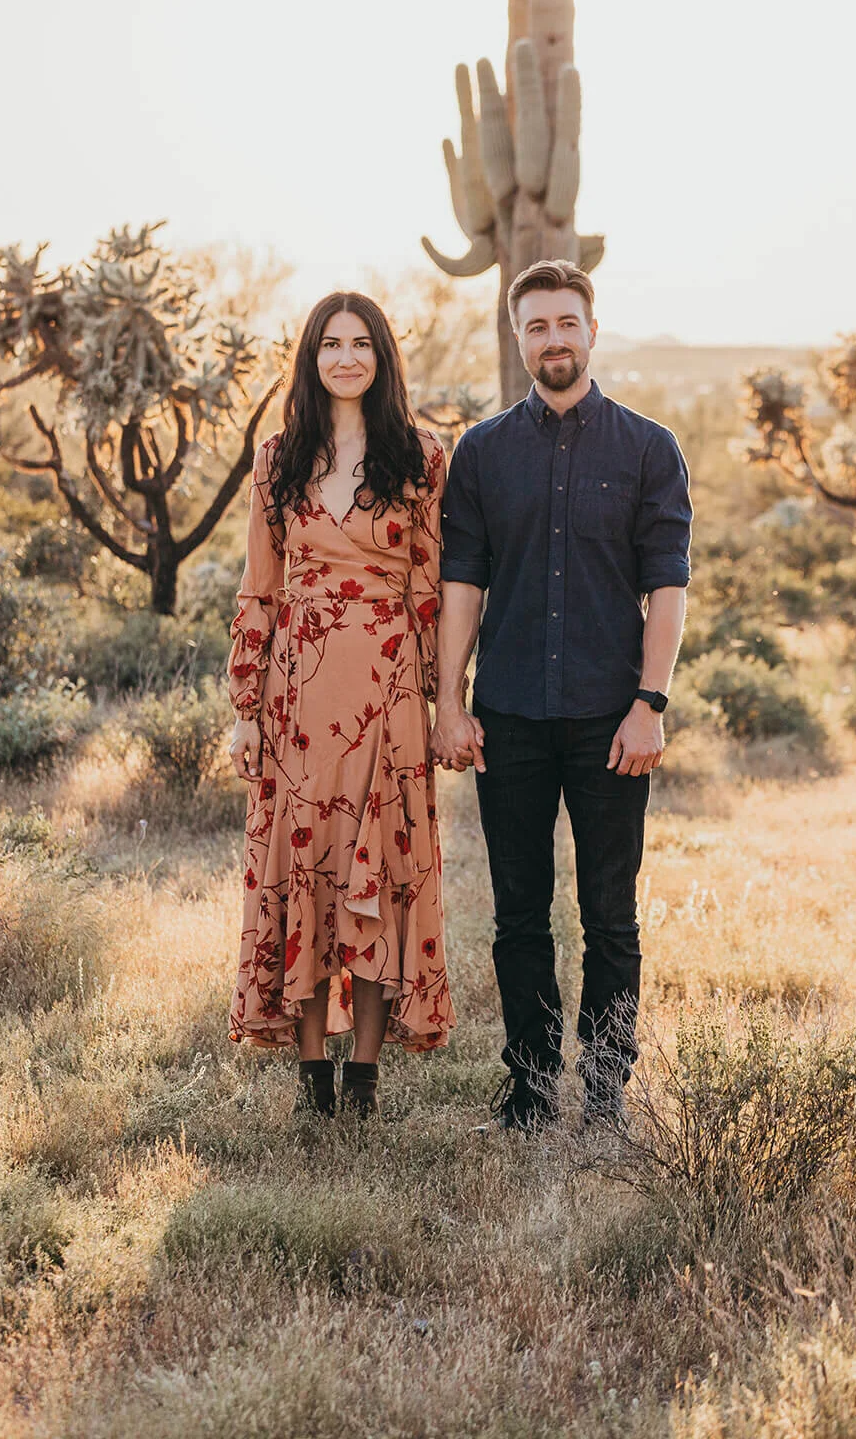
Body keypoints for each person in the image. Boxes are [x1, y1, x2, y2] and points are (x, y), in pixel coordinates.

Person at [431, 258, 691, 1131]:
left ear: (591, 329)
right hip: (506, 717)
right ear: (518, 338)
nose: (552, 339)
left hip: (609, 718)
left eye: (565, 323)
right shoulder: (482, 452)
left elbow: (667, 589)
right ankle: (532, 1090)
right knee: (518, 919)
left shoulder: (649, 448)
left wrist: (649, 704)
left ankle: (605, 1091)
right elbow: (461, 583)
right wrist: (448, 701)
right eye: (534, 326)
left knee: (609, 918)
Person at [227, 291, 455, 1118]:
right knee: (307, 873)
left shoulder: (422, 458)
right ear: (311, 357)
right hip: (296, 694)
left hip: (388, 692)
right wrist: (246, 707)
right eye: (331, 343)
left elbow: (429, 589)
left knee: (380, 874)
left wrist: (444, 703)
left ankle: (362, 1078)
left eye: (362, 343)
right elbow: (259, 589)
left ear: (382, 357)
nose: (347, 357)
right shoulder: (277, 458)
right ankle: (311, 1078)